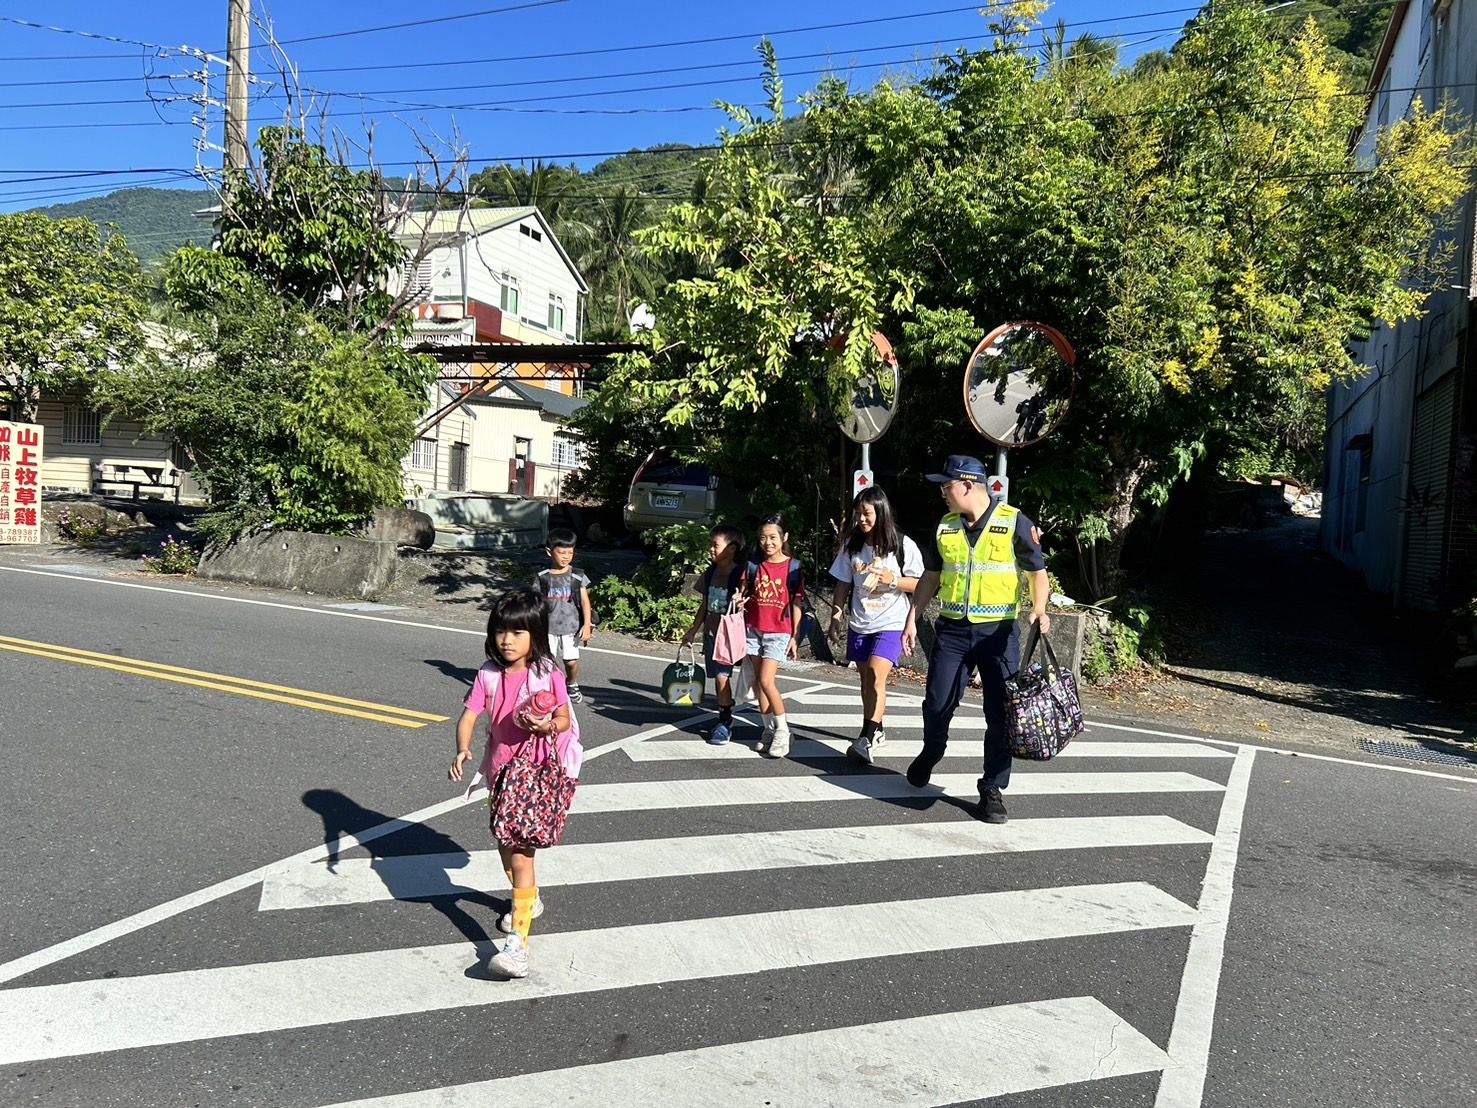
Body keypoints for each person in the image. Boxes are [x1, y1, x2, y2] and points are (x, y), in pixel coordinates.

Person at [904, 455, 1050, 825]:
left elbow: (1038, 572)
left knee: (1000, 715)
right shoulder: (945, 526)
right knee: (937, 702)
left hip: (998, 633)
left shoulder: (1014, 522)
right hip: (952, 630)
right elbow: (931, 578)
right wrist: (912, 617)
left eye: (946, 485)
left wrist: (1039, 608)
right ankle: (932, 749)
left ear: (968, 485)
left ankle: (992, 789)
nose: (942, 493)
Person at [449, 588, 578, 979]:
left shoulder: (548, 674)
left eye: (518, 632)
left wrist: (546, 725)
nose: (508, 640)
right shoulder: (488, 675)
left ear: (535, 634)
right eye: (502, 631)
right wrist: (463, 749)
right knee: (506, 850)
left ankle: (517, 948)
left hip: (534, 775)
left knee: (522, 856)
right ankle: (530, 899)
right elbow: (470, 715)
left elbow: (564, 720)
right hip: (499, 773)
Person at [826, 486, 925, 765]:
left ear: (881, 513)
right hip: (860, 621)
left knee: (876, 673)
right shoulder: (852, 546)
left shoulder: (903, 545)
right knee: (866, 681)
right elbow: (843, 583)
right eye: (858, 514)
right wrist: (835, 616)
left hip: (891, 621)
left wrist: (892, 580)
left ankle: (867, 737)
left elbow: (921, 584)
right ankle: (876, 728)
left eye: (867, 514)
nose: (862, 520)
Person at [744, 513, 805, 759]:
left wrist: (795, 635)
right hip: (753, 629)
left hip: (778, 631)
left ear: (784, 537)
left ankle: (783, 731)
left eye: (773, 537)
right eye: (763, 538)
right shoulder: (753, 566)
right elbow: (745, 592)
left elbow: (797, 602)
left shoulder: (794, 567)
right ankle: (768, 730)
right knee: (759, 684)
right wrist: (740, 598)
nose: (768, 542)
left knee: (768, 682)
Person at [680, 523, 748, 746]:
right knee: (719, 678)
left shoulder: (741, 574)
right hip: (711, 633)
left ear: (732, 549)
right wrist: (692, 631)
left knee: (721, 677)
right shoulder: (710, 573)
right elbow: (704, 605)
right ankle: (725, 713)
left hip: (731, 635)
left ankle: (725, 722)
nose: (711, 550)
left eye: (715, 545)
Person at [533, 528, 593, 703]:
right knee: (546, 663)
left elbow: (585, 602)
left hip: (571, 628)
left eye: (570, 552)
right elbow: (534, 603)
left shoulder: (577, 576)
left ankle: (572, 683)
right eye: (561, 552)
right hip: (547, 629)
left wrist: (587, 624)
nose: (566, 556)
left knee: (571, 661)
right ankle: (547, 689)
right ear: (549, 552)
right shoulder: (542, 577)